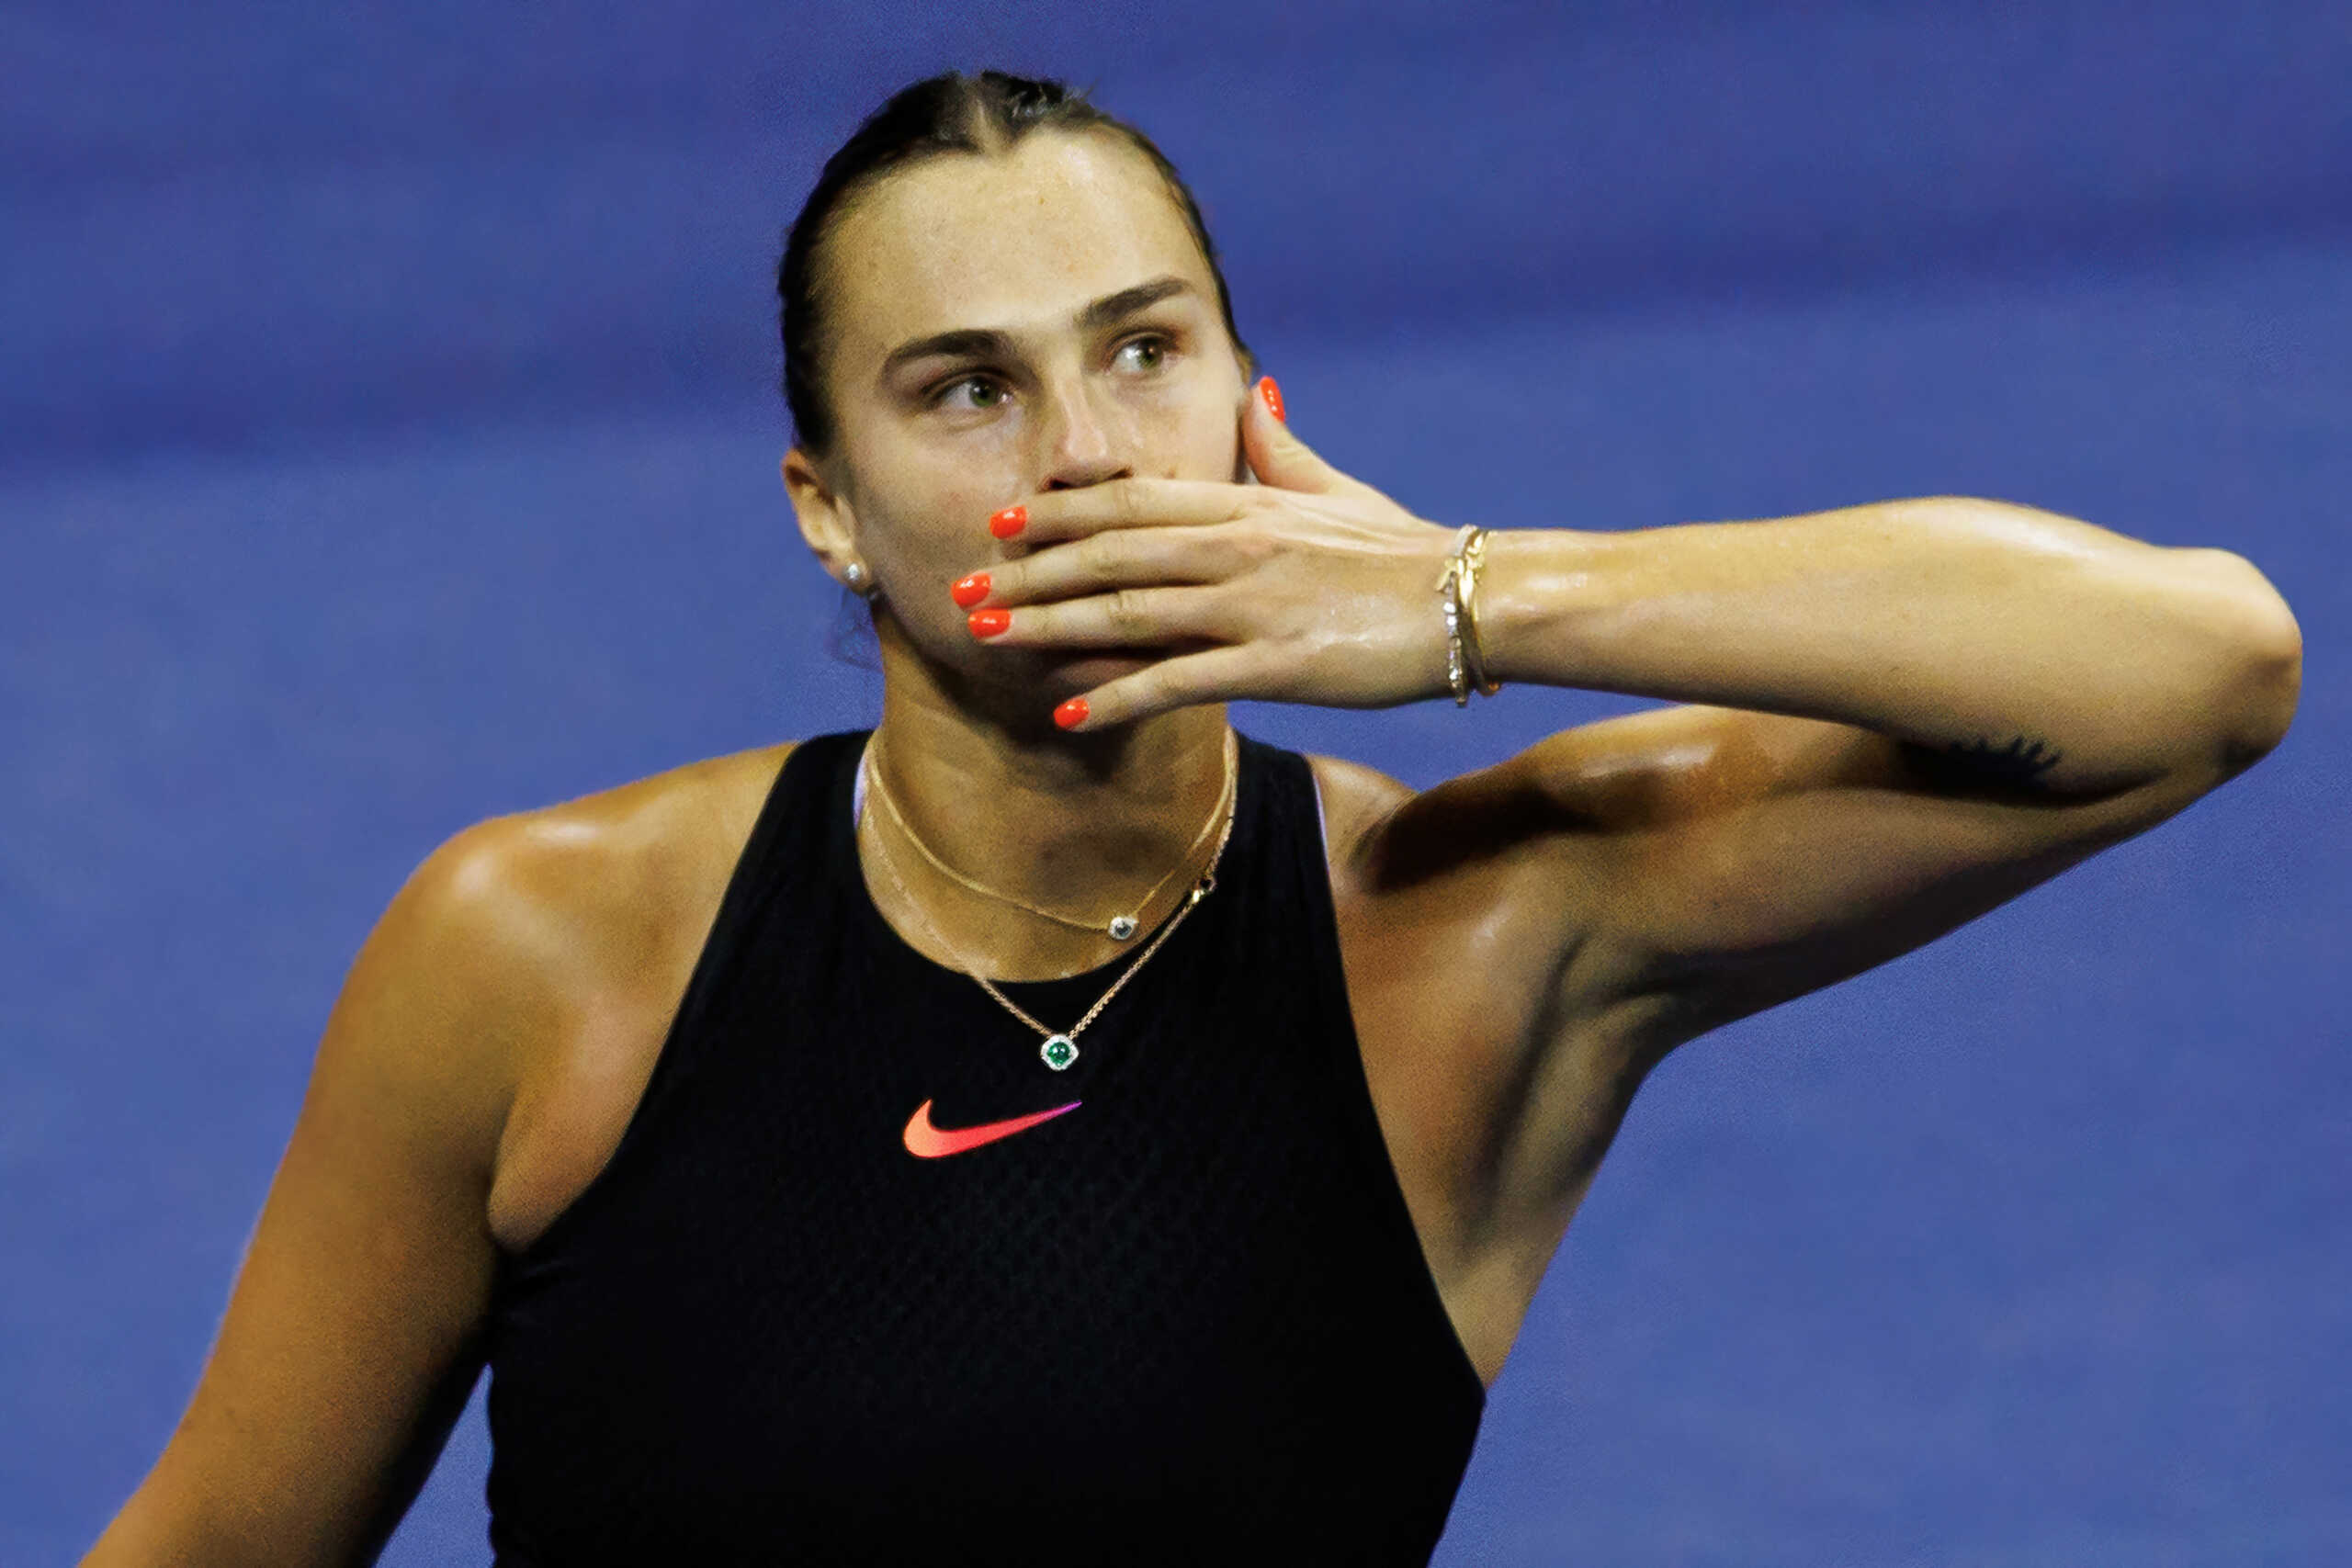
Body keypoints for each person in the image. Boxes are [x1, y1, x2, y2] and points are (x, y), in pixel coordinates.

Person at [85, 69, 2301, 1568]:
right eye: (963, 387)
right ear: (828, 515)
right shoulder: (535, 956)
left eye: (1143, 351)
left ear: (1252, 408)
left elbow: (2198, 670)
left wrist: (1475, 593)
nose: (1084, 454)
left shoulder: (1468, 934)